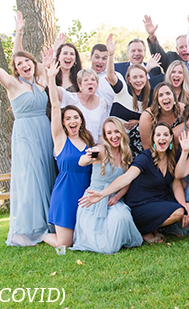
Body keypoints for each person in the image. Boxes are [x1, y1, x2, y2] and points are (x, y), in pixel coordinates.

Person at [0, 17, 55, 247]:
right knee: (31, 178)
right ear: (16, 69)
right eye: (19, 64)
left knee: (46, 174)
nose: (24, 65)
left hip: (44, 132)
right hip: (25, 135)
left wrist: (19, 32)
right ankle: (30, 227)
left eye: (27, 62)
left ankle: (50, 222)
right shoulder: (13, 85)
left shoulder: (41, 82)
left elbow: (39, 63)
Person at [79, 123, 189, 244]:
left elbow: (177, 182)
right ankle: (142, 229)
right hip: (140, 204)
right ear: (153, 139)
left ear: (171, 138)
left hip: (160, 200)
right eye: (158, 135)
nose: (162, 138)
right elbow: (127, 178)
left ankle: (153, 227)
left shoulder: (173, 156)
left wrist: (183, 204)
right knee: (179, 212)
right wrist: (102, 194)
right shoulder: (145, 157)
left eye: (166, 135)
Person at [71, 118, 143, 253]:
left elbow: (127, 181)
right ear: (105, 136)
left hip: (113, 199)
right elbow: (82, 161)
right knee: (107, 246)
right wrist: (88, 156)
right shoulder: (101, 150)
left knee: (122, 217)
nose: (113, 136)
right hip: (93, 199)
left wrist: (117, 197)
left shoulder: (127, 154)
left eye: (116, 132)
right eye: (109, 133)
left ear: (122, 132)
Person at [45, 59, 94, 249]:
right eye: (68, 118)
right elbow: (56, 106)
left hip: (85, 194)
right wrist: (50, 78)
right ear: (63, 123)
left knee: (82, 239)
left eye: (76, 117)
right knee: (64, 244)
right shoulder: (60, 139)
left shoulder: (88, 141)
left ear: (81, 121)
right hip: (65, 195)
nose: (72, 121)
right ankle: (43, 236)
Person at [104, 36, 150, 151]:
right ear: (128, 79)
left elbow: (155, 118)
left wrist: (140, 122)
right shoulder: (122, 90)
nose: (138, 80)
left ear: (146, 78)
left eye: (141, 77)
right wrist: (110, 54)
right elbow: (110, 75)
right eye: (135, 77)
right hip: (115, 143)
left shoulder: (149, 98)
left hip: (135, 146)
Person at [144, 14, 189, 97]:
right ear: (177, 49)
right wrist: (152, 35)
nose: (185, 49)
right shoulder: (171, 59)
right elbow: (158, 53)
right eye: (181, 47)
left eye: (187, 46)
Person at [58, 68, 110, 143]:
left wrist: (99, 149)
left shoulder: (103, 103)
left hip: (93, 147)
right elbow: (56, 92)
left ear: (97, 84)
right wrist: (50, 76)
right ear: (80, 86)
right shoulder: (71, 98)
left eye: (93, 79)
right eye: (85, 80)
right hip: (74, 145)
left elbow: (101, 134)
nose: (90, 83)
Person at [138, 83, 183, 154]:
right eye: (161, 95)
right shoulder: (147, 115)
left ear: (174, 96)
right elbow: (147, 147)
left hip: (170, 149)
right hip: (146, 149)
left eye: (168, 93)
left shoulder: (181, 109)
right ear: (157, 100)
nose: (165, 97)